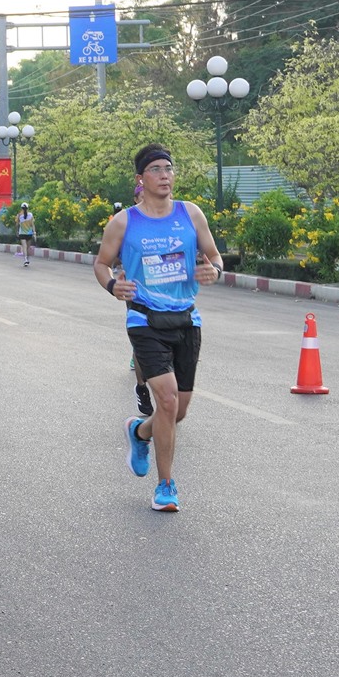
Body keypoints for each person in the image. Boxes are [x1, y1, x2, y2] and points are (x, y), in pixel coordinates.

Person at [93, 143, 225, 512]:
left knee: (177, 411)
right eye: (156, 169)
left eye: (169, 168)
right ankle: (166, 485)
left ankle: (139, 431)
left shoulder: (191, 214)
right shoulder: (124, 222)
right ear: (140, 179)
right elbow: (102, 264)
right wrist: (111, 285)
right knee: (165, 400)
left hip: (186, 318)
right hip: (144, 319)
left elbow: (215, 257)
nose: (165, 175)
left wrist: (213, 270)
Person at [16, 202, 35, 267]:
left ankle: (25, 259)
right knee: (27, 247)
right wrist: (34, 232)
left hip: (22, 233)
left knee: (24, 246)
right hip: (29, 233)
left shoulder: (19, 215)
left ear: (21, 208)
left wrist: (17, 232)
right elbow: (32, 225)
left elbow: (17, 225)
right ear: (27, 208)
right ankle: (27, 259)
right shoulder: (31, 215)